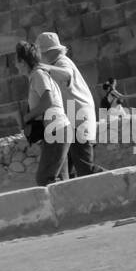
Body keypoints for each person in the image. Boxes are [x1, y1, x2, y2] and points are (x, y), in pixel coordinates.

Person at [35, 31, 101, 177]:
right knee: (66, 171)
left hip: (78, 117)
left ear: (50, 52)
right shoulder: (55, 65)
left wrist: (44, 68)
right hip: (71, 120)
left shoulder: (61, 62)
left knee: (85, 168)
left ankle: (122, 180)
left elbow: (67, 74)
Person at [16, 41, 70, 185]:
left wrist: (27, 117)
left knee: (44, 179)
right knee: (61, 181)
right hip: (57, 129)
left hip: (56, 129)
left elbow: (48, 101)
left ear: (22, 61)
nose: (16, 66)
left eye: (17, 61)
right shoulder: (38, 75)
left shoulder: (38, 75)